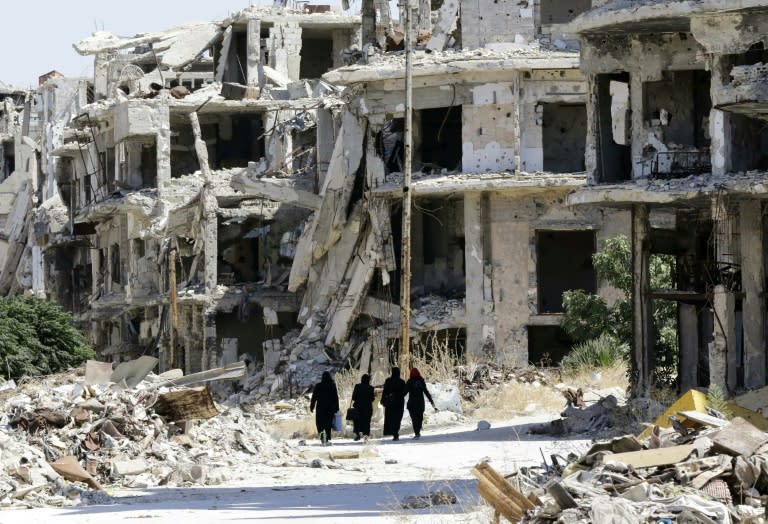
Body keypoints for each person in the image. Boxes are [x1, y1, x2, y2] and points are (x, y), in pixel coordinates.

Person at [404, 367, 436, 440]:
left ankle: (417, 433)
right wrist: (432, 402)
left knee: (414, 419)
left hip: (412, 404)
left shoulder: (410, 382)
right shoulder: (421, 381)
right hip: (420, 403)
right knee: (420, 418)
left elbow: (404, 392)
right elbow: (426, 392)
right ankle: (418, 431)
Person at [310, 371, 339, 446]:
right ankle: (327, 438)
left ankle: (323, 438)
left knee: (320, 423)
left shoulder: (318, 386)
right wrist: (336, 408)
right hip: (330, 408)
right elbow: (336, 398)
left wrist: (312, 407)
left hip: (320, 408)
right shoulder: (332, 385)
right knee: (328, 424)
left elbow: (314, 398)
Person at [381, 367, 406, 441]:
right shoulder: (401, 381)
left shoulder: (388, 381)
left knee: (390, 418)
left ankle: (393, 432)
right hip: (399, 403)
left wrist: (383, 400)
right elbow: (404, 392)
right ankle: (396, 432)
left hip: (390, 403)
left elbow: (385, 391)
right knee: (397, 418)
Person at [351, 374, 375, 441]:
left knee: (357, 421)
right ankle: (366, 436)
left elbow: (353, 397)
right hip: (367, 408)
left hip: (358, 407)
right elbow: (372, 399)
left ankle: (357, 434)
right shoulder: (371, 388)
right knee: (366, 422)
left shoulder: (357, 386)